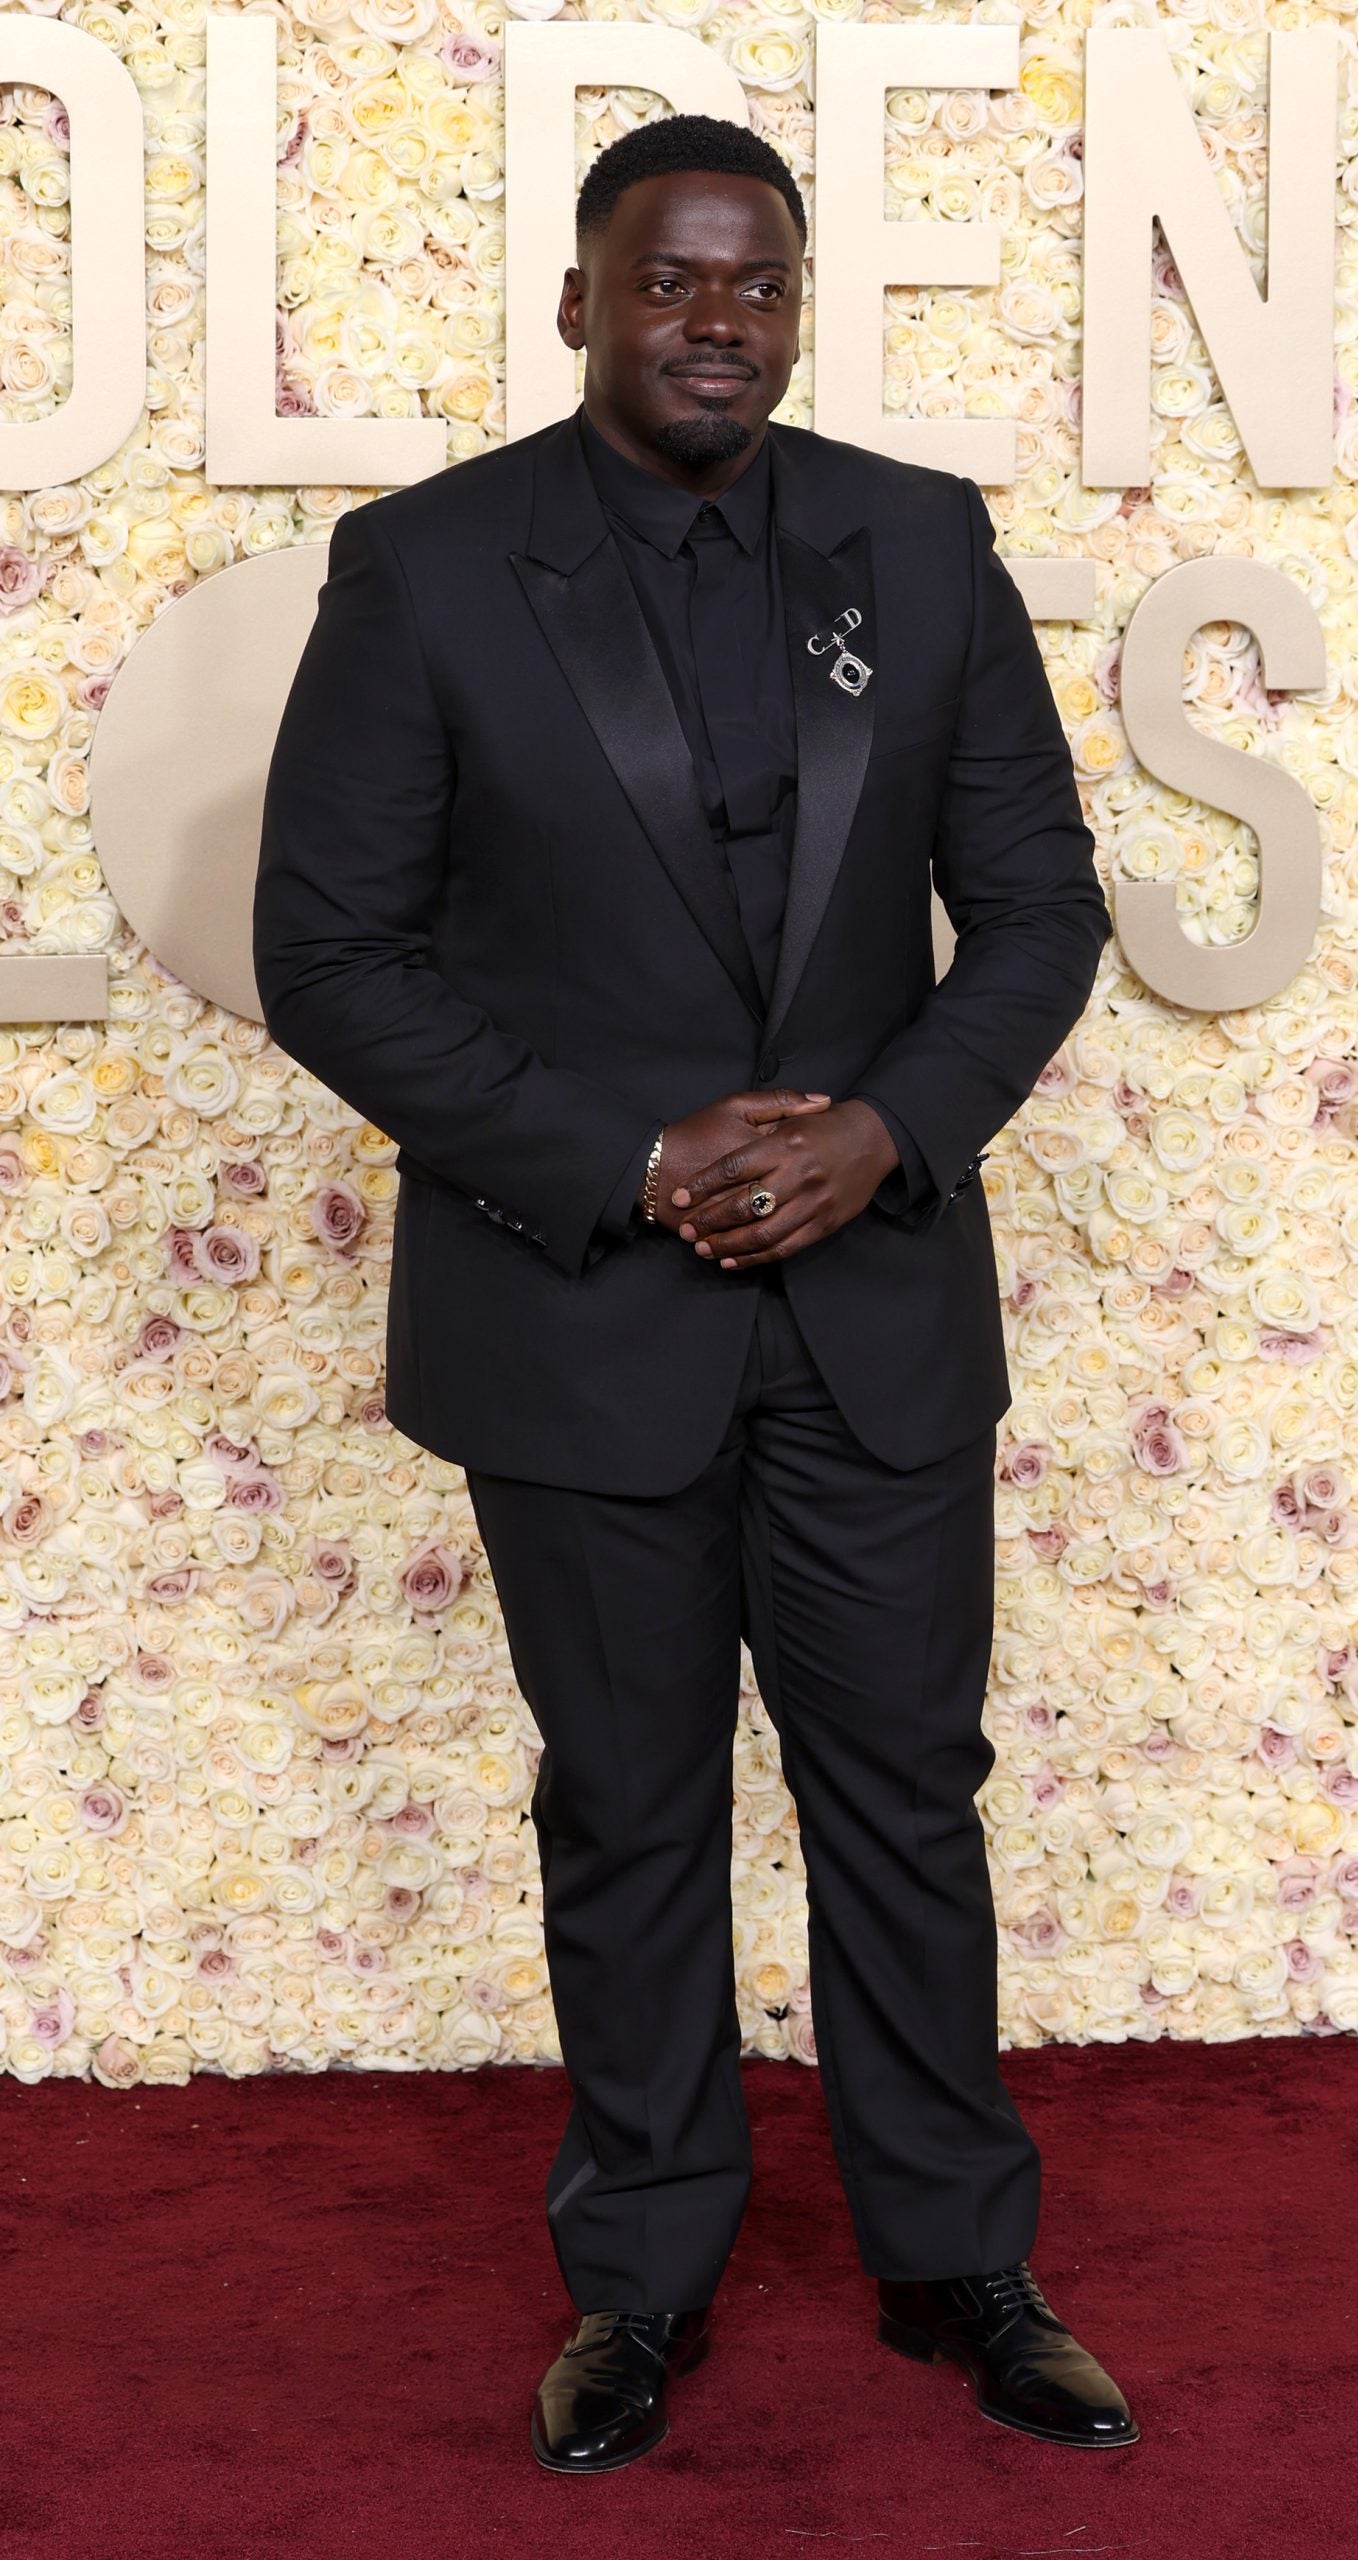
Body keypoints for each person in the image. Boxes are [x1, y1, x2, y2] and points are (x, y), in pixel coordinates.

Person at [253, 111, 1130, 2474]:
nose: (716, 318)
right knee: (629, 1807)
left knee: (907, 1796)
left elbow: (1037, 902)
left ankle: (957, 2259)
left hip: (877, 1301)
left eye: (757, 282)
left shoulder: (922, 545)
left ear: (797, 309)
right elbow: (325, 949)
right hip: (573, 1307)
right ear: (579, 304)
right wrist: (630, 1161)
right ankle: (638, 2279)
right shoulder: (430, 568)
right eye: (669, 280)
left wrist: (884, 1130)